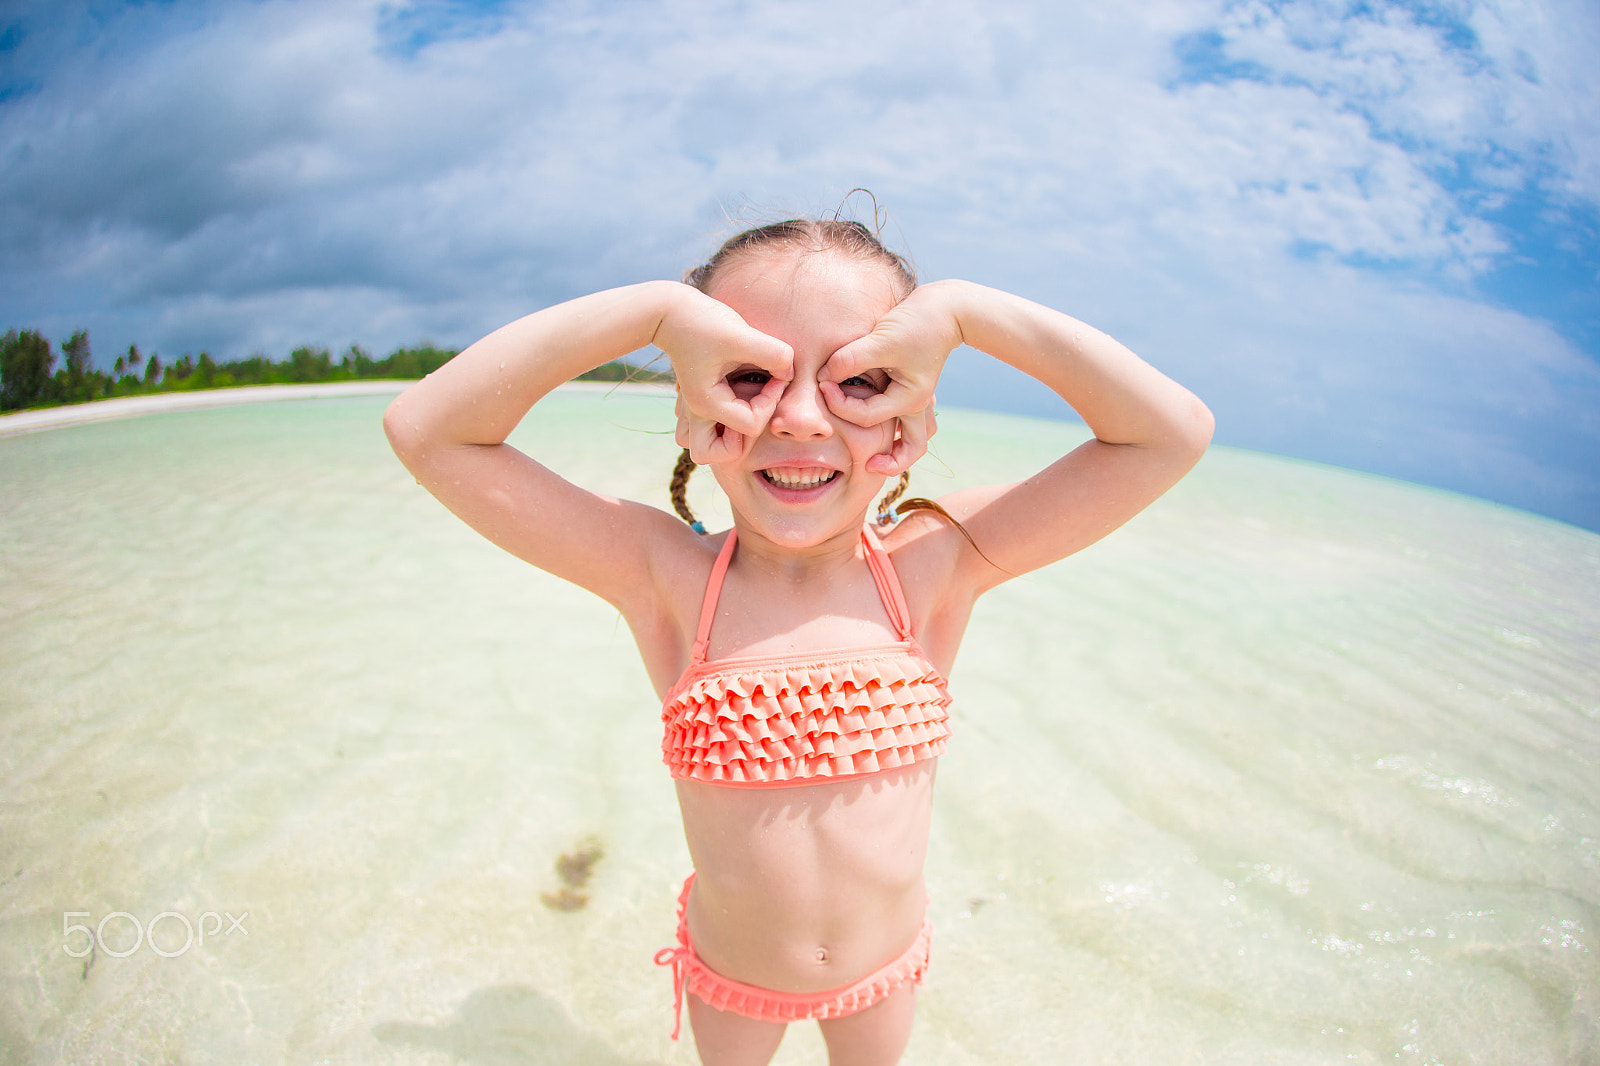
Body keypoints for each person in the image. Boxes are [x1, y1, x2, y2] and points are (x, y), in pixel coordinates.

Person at [383, 215, 1213, 1066]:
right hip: (732, 979)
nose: (804, 417)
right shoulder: (664, 578)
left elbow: (1168, 433)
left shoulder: (936, 563)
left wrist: (963, 314)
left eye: (862, 380)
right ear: (691, 408)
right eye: (750, 375)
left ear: (912, 416)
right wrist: (656, 315)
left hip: (881, 976)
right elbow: (428, 429)